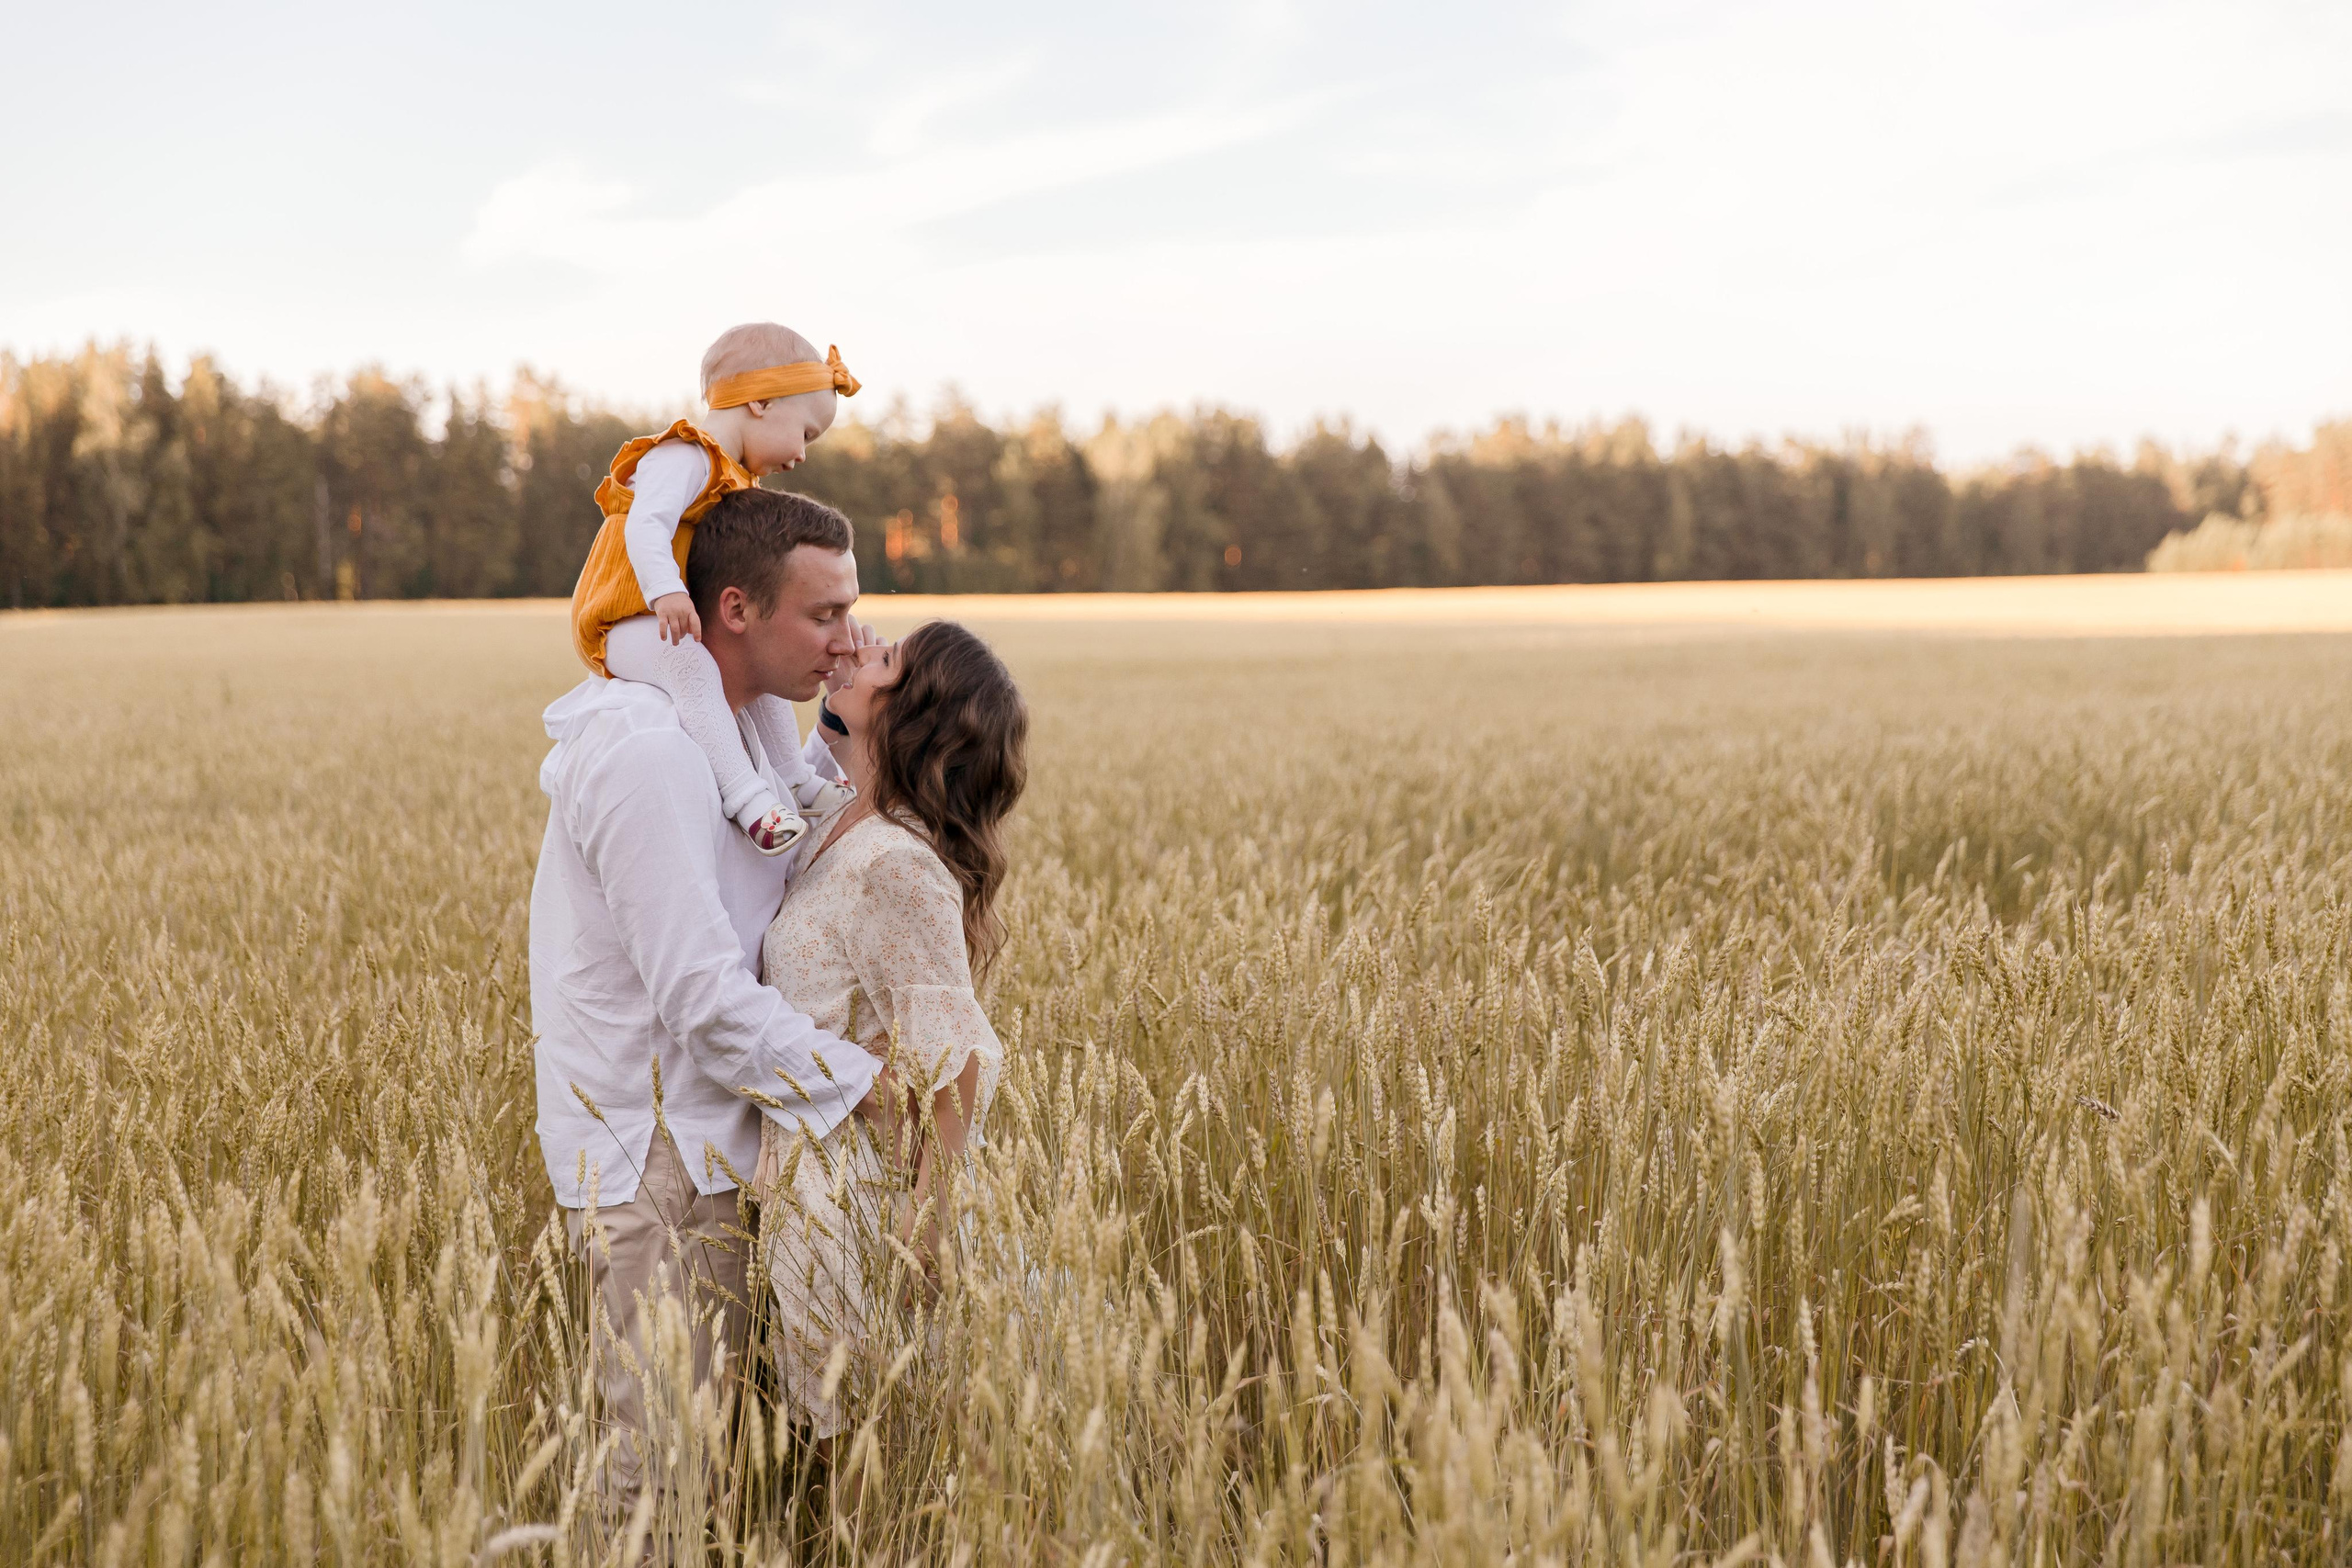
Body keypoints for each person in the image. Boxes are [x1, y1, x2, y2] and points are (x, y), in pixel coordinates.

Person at [529, 485, 896, 1509]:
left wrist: (863, 717)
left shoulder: (740, 730)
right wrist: (872, 1092)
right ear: (734, 611)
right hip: (662, 1159)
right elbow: (699, 997)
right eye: (824, 615)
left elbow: (804, 841)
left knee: (722, 1467)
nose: (844, 638)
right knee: (662, 1477)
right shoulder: (649, 753)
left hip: (728, 1139)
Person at [755, 620, 1029, 1443]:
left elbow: (956, 1048)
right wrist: (841, 677)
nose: (855, 650)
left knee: (869, 1468)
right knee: (844, 1451)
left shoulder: (896, 863)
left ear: (912, 716)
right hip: (807, 1186)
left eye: (883, 658)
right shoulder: (843, 819)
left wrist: (926, 1217)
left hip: (859, 1205)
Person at [569, 321, 862, 859]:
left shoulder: (731, 476)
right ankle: (749, 800)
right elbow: (644, 526)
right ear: (760, 403)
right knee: (690, 667)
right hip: (623, 614)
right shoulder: (684, 456)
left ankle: (791, 777)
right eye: (806, 433)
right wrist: (666, 592)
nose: (801, 455)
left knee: (763, 668)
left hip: (661, 611)